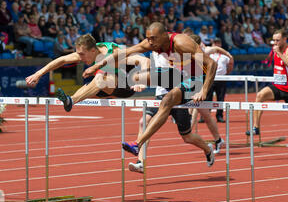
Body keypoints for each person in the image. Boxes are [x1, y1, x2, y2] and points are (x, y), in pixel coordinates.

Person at [84, 22, 218, 168]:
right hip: (178, 76)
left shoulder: (181, 43)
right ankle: (113, 91)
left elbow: (212, 64)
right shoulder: (151, 43)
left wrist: (204, 90)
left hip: (197, 78)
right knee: (135, 77)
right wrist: (96, 66)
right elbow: (122, 53)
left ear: (164, 36)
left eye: (153, 39)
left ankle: (138, 143)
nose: (150, 42)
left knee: (169, 102)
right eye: (148, 38)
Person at [25, 34, 150, 109]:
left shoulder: (114, 53)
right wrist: (38, 74)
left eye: (82, 55)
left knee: (101, 77)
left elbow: (145, 61)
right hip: (103, 87)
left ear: (93, 51)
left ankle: (71, 100)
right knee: (98, 79)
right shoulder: (88, 51)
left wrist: (142, 81)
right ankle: (70, 100)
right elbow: (62, 60)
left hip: (126, 86)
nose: (80, 58)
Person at [245, 29, 288, 158]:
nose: (275, 42)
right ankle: (256, 127)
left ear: (284, 39)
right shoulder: (275, 49)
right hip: (277, 87)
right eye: (274, 40)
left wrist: (280, 54)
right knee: (260, 96)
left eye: (277, 40)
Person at [199, 37, 234, 123]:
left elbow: (230, 65)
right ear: (212, 44)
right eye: (215, 43)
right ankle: (205, 116)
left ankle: (219, 116)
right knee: (207, 97)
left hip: (221, 78)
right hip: (210, 78)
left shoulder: (225, 55)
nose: (216, 44)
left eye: (218, 43)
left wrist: (226, 73)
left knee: (220, 98)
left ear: (221, 44)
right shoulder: (209, 53)